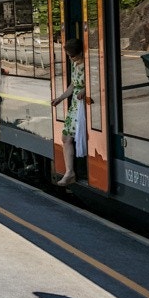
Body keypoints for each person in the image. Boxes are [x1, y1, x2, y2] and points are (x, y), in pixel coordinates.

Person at [49, 39, 88, 187]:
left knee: (77, 136)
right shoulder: (75, 64)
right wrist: (61, 98)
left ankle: (75, 170)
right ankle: (69, 172)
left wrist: (85, 90)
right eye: (69, 56)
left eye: (73, 56)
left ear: (80, 53)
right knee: (66, 137)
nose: (71, 59)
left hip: (85, 104)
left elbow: (97, 81)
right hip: (75, 104)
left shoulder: (89, 65)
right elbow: (73, 84)